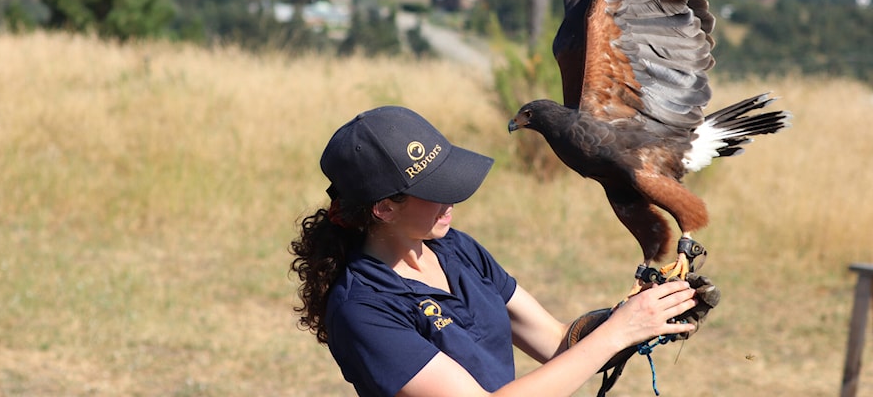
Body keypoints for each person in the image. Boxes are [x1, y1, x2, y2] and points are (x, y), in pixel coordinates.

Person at [290, 106, 715, 397]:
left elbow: (554, 342)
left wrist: (644, 314)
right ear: (383, 208)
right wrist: (619, 331)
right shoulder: (363, 309)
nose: (452, 200)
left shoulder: (454, 249)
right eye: (435, 191)